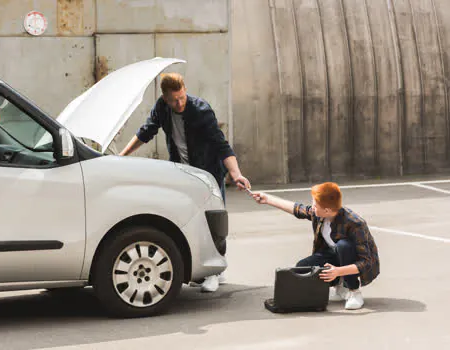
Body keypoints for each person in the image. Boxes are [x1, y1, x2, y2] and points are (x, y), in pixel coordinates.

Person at [119, 72, 251, 292]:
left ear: (185, 90)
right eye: (174, 100)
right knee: (189, 222)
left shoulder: (201, 110)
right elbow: (146, 132)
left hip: (207, 174)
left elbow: (221, 145)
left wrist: (236, 173)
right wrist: (122, 156)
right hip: (182, 175)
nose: (179, 103)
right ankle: (204, 268)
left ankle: (215, 272)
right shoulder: (162, 108)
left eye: (182, 97)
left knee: (212, 222)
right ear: (165, 98)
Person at [250, 182, 380, 310]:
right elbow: (297, 209)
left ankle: (354, 291)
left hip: (352, 256)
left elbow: (367, 262)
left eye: (314, 204)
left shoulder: (355, 223)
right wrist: (267, 199)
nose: (312, 207)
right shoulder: (319, 213)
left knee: (343, 246)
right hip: (333, 254)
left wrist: (338, 271)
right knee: (302, 267)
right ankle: (339, 286)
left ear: (327, 210)